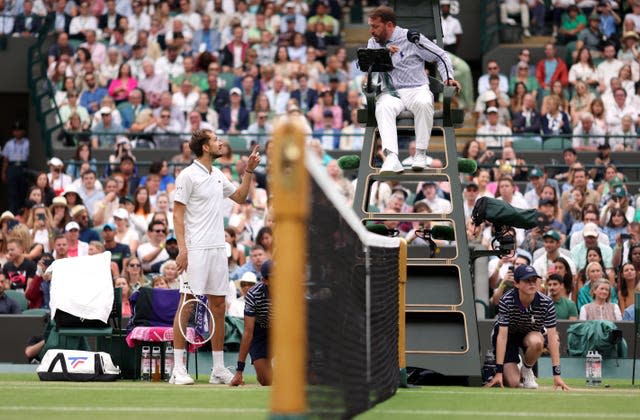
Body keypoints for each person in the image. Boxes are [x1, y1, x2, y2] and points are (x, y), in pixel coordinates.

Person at [169, 129, 260, 386]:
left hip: (218, 249)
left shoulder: (218, 174)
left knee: (219, 306)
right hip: (195, 249)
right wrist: (183, 250)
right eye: (215, 140)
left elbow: (241, 197)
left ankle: (218, 369)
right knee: (187, 305)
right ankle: (177, 369)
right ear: (206, 148)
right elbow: (177, 215)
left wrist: (249, 171)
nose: (221, 143)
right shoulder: (187, 176)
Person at [366, 6, 460, 174]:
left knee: (424, 103)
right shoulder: (373, 42)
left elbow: (440, 56)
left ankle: (421, 154)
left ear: (389, 25)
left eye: (375, 26)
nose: (371, 31)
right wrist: (384, 52)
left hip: (417, 89)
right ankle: (392, 157)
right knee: (382, 107)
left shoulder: (412, 38)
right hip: (391, 92)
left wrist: (448, 78)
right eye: (370, 26)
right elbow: (366, 64)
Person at [484, 265, 570, 390]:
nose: (532, 283)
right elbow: (502, 336)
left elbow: (552, 339)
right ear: (517, 284)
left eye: (534, 280)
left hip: (530, 334)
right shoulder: (506, 300)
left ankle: (526, 370)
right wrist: (499, 372)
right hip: (509, 336)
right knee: (513, 383)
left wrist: (557, 376)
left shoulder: (547, 303)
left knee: (537, 342)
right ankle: (511, 366)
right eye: (527, 280)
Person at [231, 259, 273, 386]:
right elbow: (248, 333)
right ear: (265, 280)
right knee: (266, 381)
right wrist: (239, 371)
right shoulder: (253, 295)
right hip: (260, 333)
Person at [2, 121, 30, 214]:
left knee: (23, 192)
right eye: (16, 130)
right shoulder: (9, 143)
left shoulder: (28, 142)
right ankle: (12, 215)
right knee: (12, 193)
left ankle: (22, 215)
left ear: (23, 132)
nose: (18, 132)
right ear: (13, 132)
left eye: (20, 130)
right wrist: (3, 172)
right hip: (12, 167)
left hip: (23, 167)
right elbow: (5, 159)